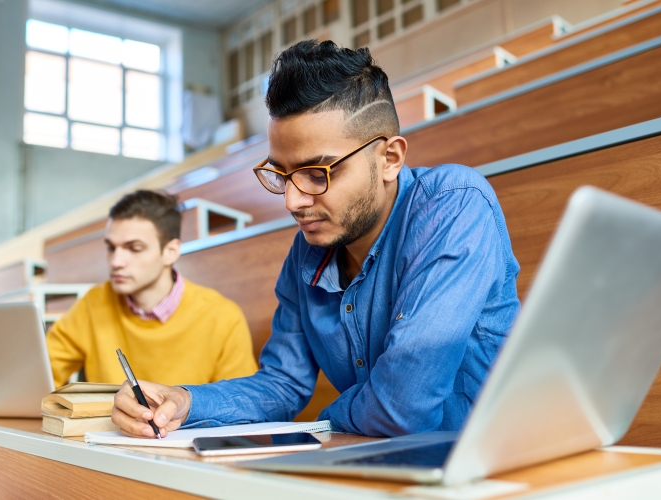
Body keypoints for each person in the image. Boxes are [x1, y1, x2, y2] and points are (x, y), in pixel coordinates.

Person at [111, 40, 520, 438]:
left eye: (317, 173)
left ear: (389, 159)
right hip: (385, 469)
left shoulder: (455, 205)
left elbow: (402, 407)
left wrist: (325, 420)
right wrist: (183, 401)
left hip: (501, 468)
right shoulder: (307, 251)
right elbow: (283, 384)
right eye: (282, 175)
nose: (293, 201)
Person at [46, 190, 258, 388]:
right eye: (111, 248)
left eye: (134, 248)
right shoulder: (93, 303)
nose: (116, 261)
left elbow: (240, 405)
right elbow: (40, 376)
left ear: (171, 252)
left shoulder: (222, 317)